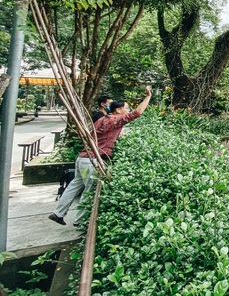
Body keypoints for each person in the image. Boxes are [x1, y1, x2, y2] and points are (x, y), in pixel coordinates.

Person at [48, 86, 152, 226]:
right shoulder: (114, 120)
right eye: (126, 108)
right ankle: (80, 221)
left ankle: (58, 213)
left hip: (82, 159)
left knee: (74, 186)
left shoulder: (102, 120)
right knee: (89, 190)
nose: (128, 110)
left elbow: (103, 135)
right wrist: (148, 96)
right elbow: (137, 113)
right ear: (118, 110)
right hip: (92, 161)